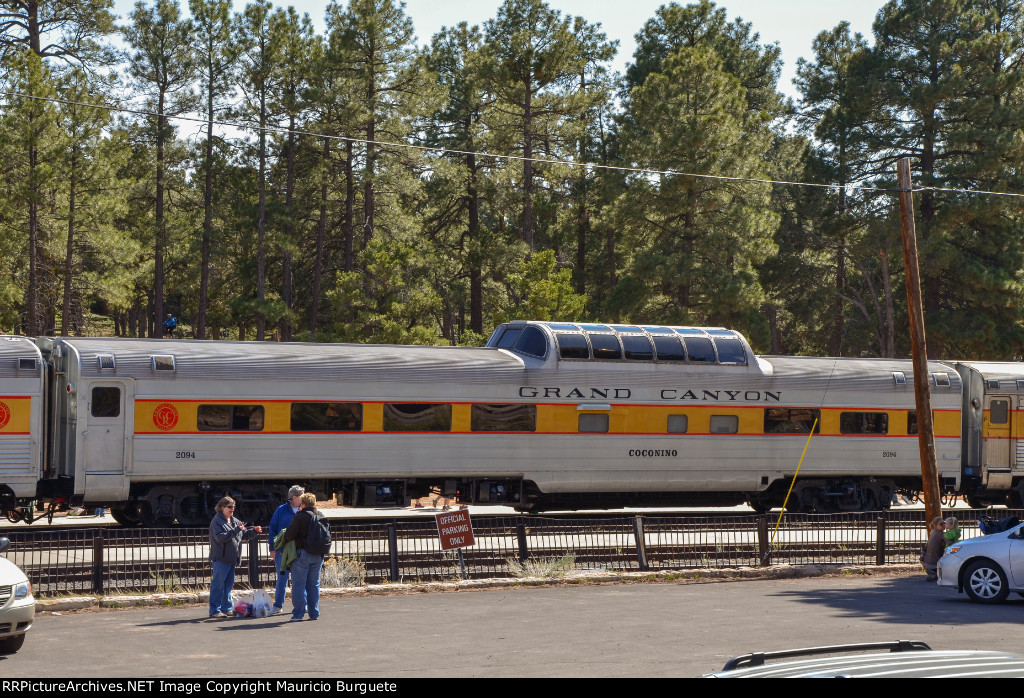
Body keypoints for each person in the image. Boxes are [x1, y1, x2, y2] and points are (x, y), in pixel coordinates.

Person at [208, 496, 262, 619]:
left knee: (228, 585)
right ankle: (214, 610)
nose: (232, 509)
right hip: (221, 558)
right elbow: (220, 537)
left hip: (232, 559)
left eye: (233, 507)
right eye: (229, 507)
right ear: (222, 508)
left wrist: (254, 531)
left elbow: (244, 535)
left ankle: (225, 608)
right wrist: (236, 530)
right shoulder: (217, 521)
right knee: (218, 585)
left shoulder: (235, 521)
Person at [283, 492, 327, 621]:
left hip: (302, 554)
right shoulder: (321, 515)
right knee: (314, 585)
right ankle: (314, 613)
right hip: (318, 555)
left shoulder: (300, 516)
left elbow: (289, 535)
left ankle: (298, 613)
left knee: (298, 585)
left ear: (304, 504)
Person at [267, 485, 304, 615]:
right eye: (301, 495)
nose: (304, 497)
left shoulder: (304, 509)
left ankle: (301, 605)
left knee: (298, 580)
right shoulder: (281, 510)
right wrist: (272, 548)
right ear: (294, 497)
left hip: (299, 550)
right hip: (282, 550)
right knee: (282, 579)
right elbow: (272, 528)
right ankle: (278, 605)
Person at [920, 516, 945, 582]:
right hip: (935, 563)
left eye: (944, 523)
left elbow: (926, 546)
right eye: (941, 524)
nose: (943, 525)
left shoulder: (932, 533)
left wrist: (922, 553)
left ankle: (932, 573)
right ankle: (935, 573)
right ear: (936, 525)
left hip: (926, 562)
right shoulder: (942, 534)